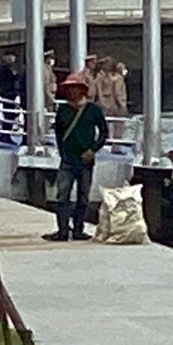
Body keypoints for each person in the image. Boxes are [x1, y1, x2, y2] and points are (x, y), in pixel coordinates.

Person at [46, 72, 105, 242]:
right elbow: (58, 133)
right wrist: (63, 152)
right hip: (68, 160)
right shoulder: (63, 110)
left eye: (74, 88)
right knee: (62, 195)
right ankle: (63, 230)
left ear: (81, 90)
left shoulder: (93, 110)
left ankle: (78, 230)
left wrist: (93, 150)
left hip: (86, 160)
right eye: (69, 88)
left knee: (83, 197)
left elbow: (103, 132)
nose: (71, 92)